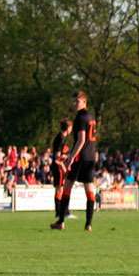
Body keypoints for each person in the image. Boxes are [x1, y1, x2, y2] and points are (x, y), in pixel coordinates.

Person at [50, 91, 98, 232]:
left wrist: (71, 157)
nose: (75, 104)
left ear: (84, 101)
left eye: (77, 101)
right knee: (89, 190)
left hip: (80, 157)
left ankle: (61, 221)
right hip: (90, 157)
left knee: (67, 187)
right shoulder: (91, 117)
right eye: (74, 101)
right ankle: (88, 224)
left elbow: (81, 140)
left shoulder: (80, 118)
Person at [50, 119, 72, 218]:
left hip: (60, 166)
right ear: (68, 128)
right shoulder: (60, 138)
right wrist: (63, 167)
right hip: (58, 167)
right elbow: (56, 158)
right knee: (60, 189)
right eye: (71, 127)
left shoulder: (63, 137)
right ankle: (60, 212)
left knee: (61, 189)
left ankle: (62, 212)